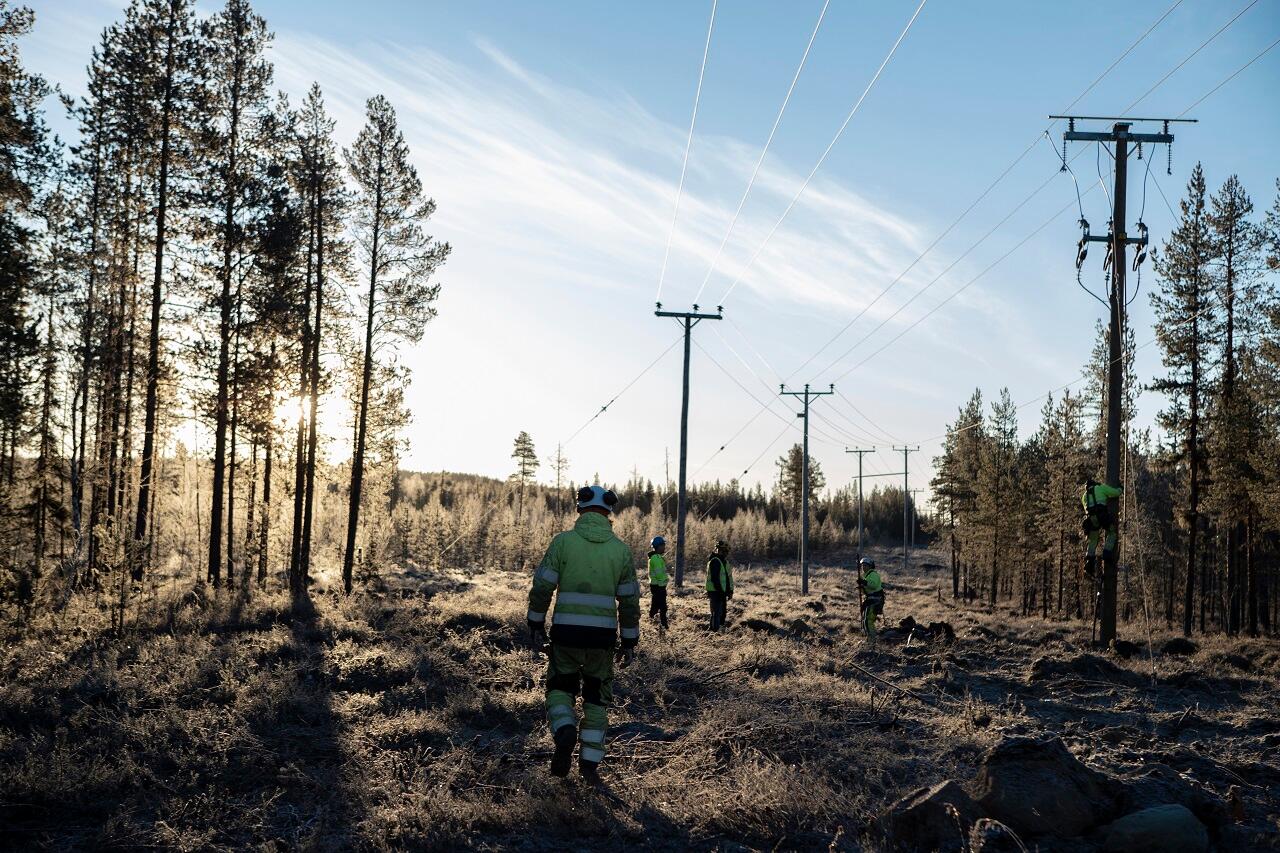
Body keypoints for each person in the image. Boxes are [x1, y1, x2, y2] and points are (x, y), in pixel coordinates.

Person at [527, 485, 640, 781]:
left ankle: (564, 730)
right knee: (596, 699)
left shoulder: (562, 543)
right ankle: (589, 764)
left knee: (559, 688)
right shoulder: (621, 551)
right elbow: (629, 601)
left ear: (580, 509)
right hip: (602, 641)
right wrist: (629, 641)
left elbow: (542, 587)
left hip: (566, 635)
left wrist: (536, 622)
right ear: (609, 513)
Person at [1081, 477, 1123, 578]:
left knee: (1093, 540)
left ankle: (1089, 560)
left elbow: (1085, 508)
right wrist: (1120, 488)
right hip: (1103, 516)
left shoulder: (1084, 496)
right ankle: (1107, 553)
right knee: (1112, 533)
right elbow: (1115, 493)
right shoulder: (1101, 488)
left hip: (1092, 519)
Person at [705, 539, 733, 632]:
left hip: (722, 592)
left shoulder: (724, 562)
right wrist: (721, 591)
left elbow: (728, 578)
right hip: (715, 592)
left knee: (722, 613)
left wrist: (729, 591)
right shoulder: (715, 561)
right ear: (719, 550)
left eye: (726, 551)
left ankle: (718, 630)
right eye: (724, 551)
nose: (725, 553)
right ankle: (713, 632)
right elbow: (715, 579)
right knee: (716, 613)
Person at [857, 557, 884, 648]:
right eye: (862, 566)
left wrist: (864, 583)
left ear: (870, 566)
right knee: (865, 619)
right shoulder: (866, 575)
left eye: (866, 565)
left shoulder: (873, 574)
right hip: (870, 599)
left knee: (868, 620)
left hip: (875, 600)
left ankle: (872, 641)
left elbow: (873, 585)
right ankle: (869, 638)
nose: (863, 567)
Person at [647, 535, 669, 630]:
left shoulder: (657, 557)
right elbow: (660, 575)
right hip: (658, 586)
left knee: (655, 606)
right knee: (662, 607)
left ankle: (652, 622)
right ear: (658, 546)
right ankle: (664, 626)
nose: (664, 546)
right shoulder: (655, 558)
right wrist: (663, 584)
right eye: (663, 545)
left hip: (657, 586)